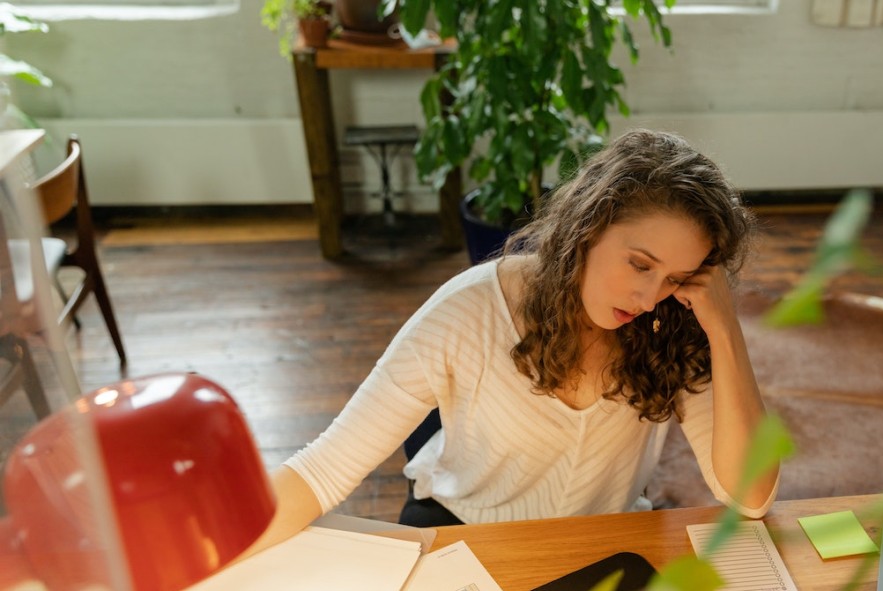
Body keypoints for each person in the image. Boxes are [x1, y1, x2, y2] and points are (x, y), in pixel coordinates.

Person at [247, 128, 779, 552]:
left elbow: (749, 498)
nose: (647, 297)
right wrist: (204, 556)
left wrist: (725, 330)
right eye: (639, 264)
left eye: (674, 278)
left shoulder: (671, 322)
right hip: (464, 529)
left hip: (600, 544)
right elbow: (324, 468)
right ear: (588, 226)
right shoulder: (467, 311)